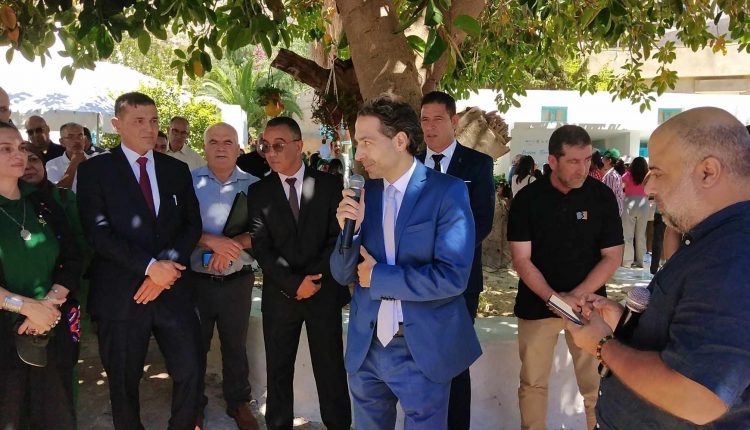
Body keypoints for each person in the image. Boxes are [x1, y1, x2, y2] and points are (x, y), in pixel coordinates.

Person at [566, 106, 750, 429]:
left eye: (658, 172)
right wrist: (628, 323)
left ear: (708, 172)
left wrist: (603, 346)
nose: (648, 188)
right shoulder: (713, 240)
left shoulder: (734, 255)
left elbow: (697, 397)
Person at [331, 95, 481, 429]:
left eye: (367, 142)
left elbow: (452, 277)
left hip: (421, 348)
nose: (359, 154)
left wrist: (378, 278)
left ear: (400, 141)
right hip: (367, 347)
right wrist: (349, 232)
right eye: (358, 143)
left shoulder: (447, 192)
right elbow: (341, 274)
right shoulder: (364, 195)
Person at [76, 92, 204, 429]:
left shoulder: (176, 169)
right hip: (121, 295)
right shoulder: (94, 171)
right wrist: (149, 268)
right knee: (123, 381)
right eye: (139, 121)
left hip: (172, 290)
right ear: (117, 124)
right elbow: (98, 233)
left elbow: (192, 225)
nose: (149, 128)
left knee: (191, 368)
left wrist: (165, 269)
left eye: (153, 120)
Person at [507, 125, 623, 430]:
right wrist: (554, 298)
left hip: (589, 306)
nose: (582, 169)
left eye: (587, 160)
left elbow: (613, 255)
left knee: (596, 385)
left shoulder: (601, 196)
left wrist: (576, 297)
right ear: (553, 161)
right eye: (573, 161)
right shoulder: (528, 199)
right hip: (537, 304)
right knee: (532, 383)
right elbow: (521, 259)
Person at [247, 117, 351, 430]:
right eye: (265, 146)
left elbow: (336, 238)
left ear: (298, 145)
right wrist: (294, 284)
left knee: (331, 371)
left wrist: (312, 281)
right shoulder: (258, 191)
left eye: (278, 145)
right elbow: (261, 246)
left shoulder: (329, 185)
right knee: (278, 373)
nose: (271, 153)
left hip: (323, 293)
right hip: (280, 296)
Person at [417, 90, 494, 429]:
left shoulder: (477, 164)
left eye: (437, 119)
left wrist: (444, 260)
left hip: (459, 283)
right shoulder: (409, 163)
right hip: (414, 280)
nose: (430, 127)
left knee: (455, 364)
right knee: (417, 361)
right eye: (424, 120)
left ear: (454, 121)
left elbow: (481, 222)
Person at [0, 122, 82, 429]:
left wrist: (48, 304)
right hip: (6, 333)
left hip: (50, 326)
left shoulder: (42, 202)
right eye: (5, 149)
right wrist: (25, 307)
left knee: (55, 412)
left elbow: (72, 257)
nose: (19, 155)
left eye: (21, 148)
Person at [188, 123, 260, 430]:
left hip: (237, 281)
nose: (220, 147)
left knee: (235, 344)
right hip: (196, 282)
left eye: (228, 142)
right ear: (204, 147)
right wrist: (211, 242)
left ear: (239, 148)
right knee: (194, 345)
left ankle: (238, 402)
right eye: (214, 141)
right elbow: (178, 227)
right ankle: (192, 404)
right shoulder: (188, 183)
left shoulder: (256, 186)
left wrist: (232, 246)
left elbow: (266, 232)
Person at [46, 122, 97, 192]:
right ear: (62, 142)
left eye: (80, 136)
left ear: (85, 140)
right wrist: (74, 163)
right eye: (70, 137)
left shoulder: (95, 161)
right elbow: (58, 193)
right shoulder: (52, 164)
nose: (77, 140)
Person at [621, 156, 649, 268]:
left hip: (629, 202)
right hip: (644, 203)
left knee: (627, 236)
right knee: (641, 235)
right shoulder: (648, 177)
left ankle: (627, 262)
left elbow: (621, 186)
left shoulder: (627, 175)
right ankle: (642, 261)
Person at [601, 149, 624, 216]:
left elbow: (608, 196)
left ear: (609, 160)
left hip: (611, 211)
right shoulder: (614, 173)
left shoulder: (611, 176)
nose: (602, 160)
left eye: (603, 158)